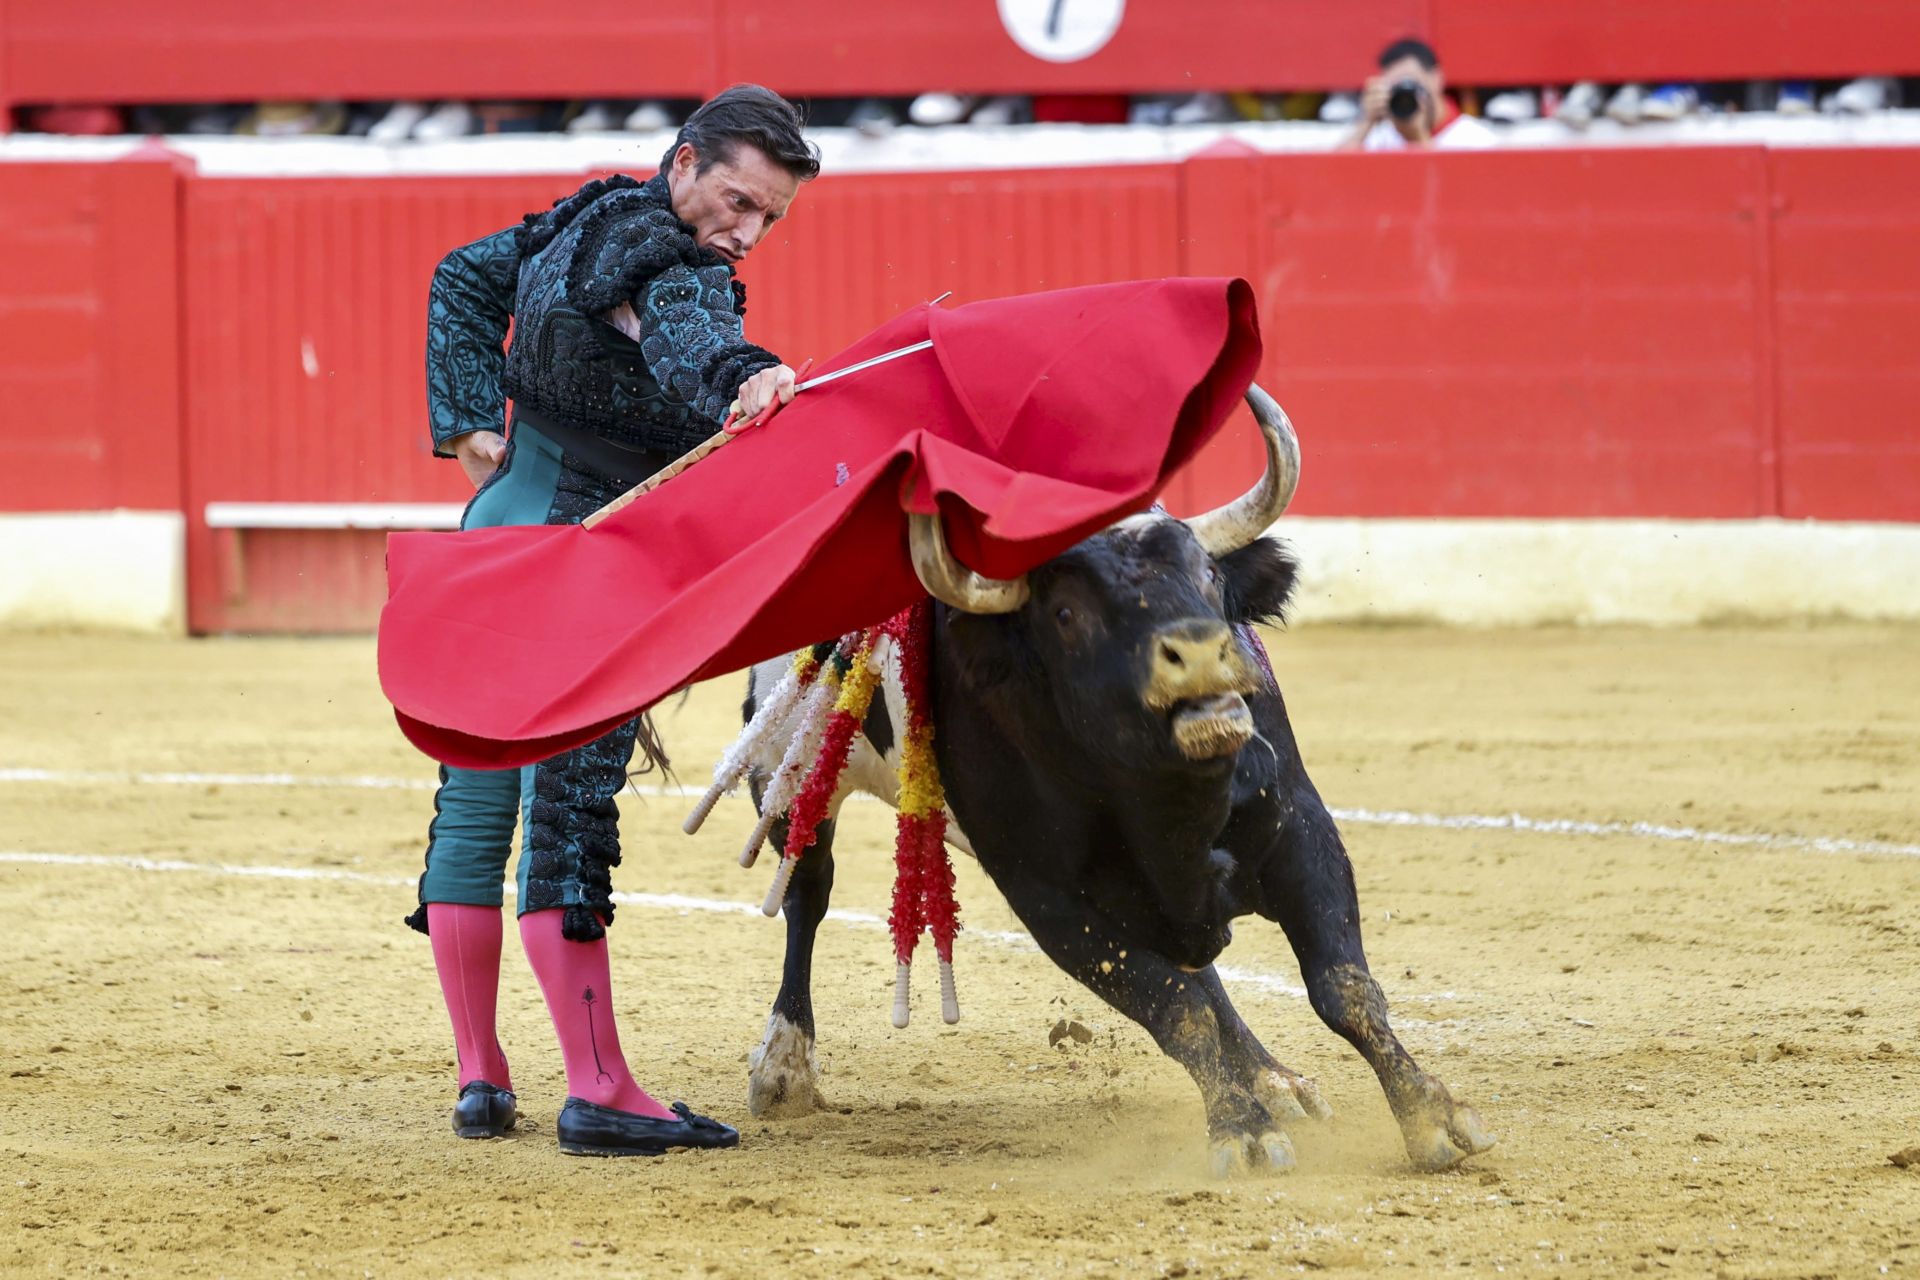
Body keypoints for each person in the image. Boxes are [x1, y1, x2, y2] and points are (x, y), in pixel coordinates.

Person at [406, 84, 818, 1157]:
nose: (746, 232)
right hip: (576, 562)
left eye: (769, 216)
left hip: (494, 530)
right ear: (684, 165)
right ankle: (597, 1088)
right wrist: (745, 374)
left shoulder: (589, 212)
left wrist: (469, 423)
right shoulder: (675, 262)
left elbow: (462, 277)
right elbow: (684, 337)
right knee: (568, 811)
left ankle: (481, 1078)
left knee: (476, 802)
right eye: (737, 200)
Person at [1336, 37, 1498, 152]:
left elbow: (1447, 188)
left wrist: (1417, 138)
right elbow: (1334, 177)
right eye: (1395, 87)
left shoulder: (1477, 140)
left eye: (1410, 83)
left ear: (1436, 77)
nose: (1405, 94)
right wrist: (1366, 122)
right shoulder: (1381, 134)